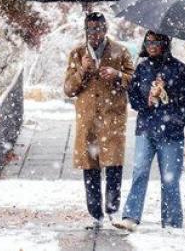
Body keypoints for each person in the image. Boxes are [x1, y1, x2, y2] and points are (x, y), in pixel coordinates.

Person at [113, 31, 185, 231]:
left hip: (171, 133)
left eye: (155, 42)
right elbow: (133, 98)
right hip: (146, 130)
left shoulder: (180, 69)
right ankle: (131, 217)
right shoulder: (142, 68)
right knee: (139, 172)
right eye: (148, 42)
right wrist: (148, 101)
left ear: (164, 43)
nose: (151, 45)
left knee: (170, 178)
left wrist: (167, 94)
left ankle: (172, 222)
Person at [64, 12, 135, 229]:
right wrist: (83, 70)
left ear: (105, 29)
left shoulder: (120, 51)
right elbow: (68, 89)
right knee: (90, 167)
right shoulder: (77, 54)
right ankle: (95, 215)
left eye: (98, 29)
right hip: (88, 120)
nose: (94, 34)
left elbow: (134, 82)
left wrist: (117, 75)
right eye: (89, 30)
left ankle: (113, 211)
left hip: (112, 116)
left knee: (113, 164)